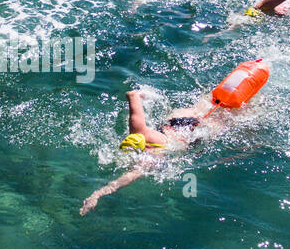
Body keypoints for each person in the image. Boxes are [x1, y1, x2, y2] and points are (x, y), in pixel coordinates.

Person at [80, 88, 235, 215]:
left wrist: (97, 195)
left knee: (229, 118)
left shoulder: (151, 158)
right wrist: (140, 95)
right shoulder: (140, 131)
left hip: (189, 133)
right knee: (205, 104)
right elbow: (132, 95)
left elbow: (122, 180)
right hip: (176, 120)